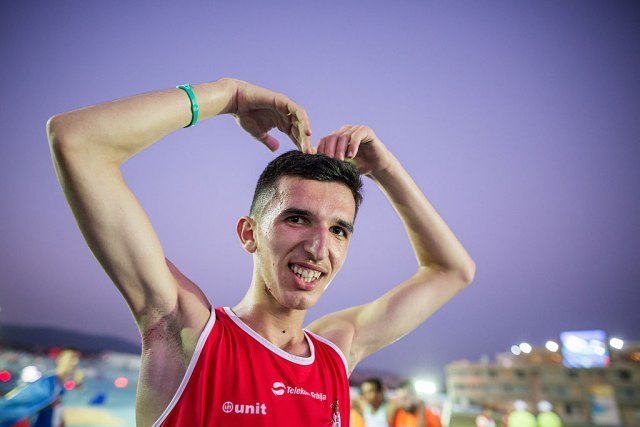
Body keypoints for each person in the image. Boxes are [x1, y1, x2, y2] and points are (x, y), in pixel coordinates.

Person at [47, 77, 475, 427]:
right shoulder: (188, 332)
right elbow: (77, 140)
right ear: (249, 234)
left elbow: (453, 270)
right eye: (297, 219)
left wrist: (385, 169)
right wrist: (228, 96)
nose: (318, 247)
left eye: (339, 229)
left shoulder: (335, 352)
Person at [0, 348, 81, 427]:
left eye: (77, 359)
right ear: (60, 359)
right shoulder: (47, 383)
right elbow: (19, 404)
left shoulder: (60, 387)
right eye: (71, 358)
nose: (75, 362)